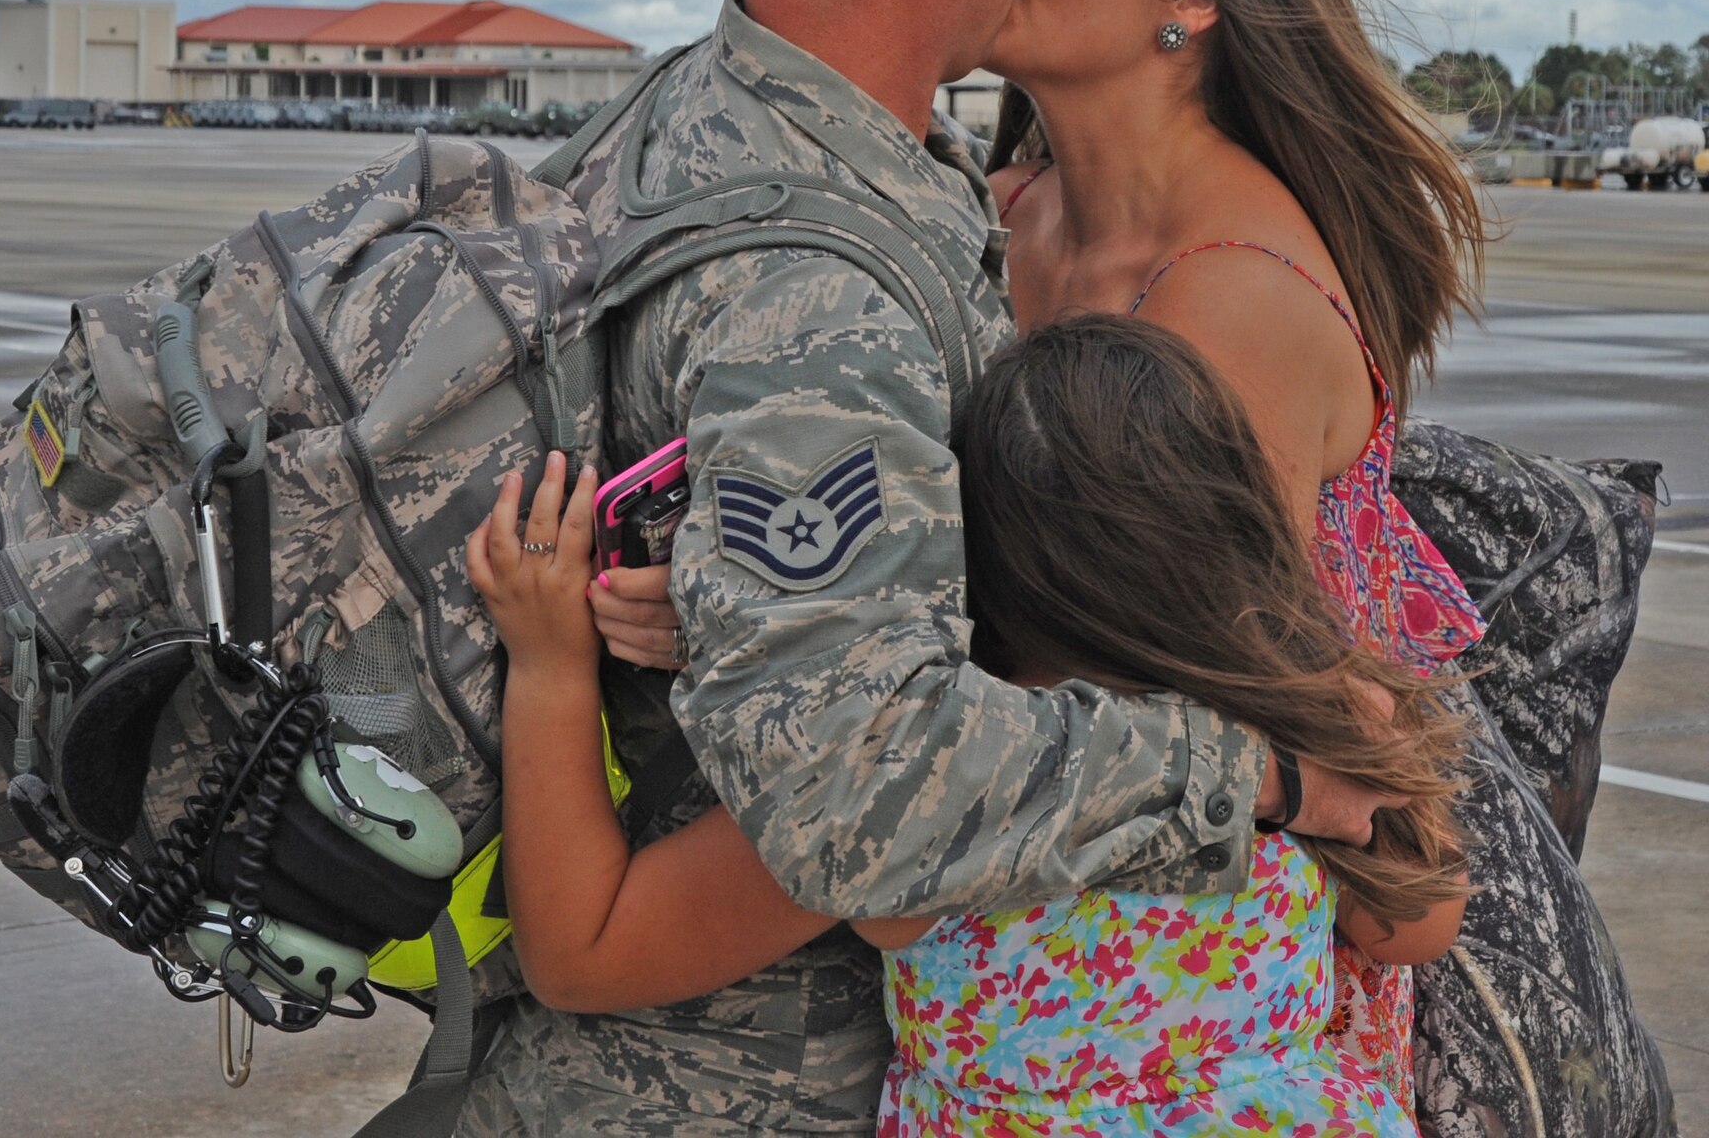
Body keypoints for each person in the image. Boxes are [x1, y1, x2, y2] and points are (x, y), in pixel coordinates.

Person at [454, 0, 1402, 1135]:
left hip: (1106, 1019)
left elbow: (985, 748)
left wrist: (732, 632)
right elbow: (872, 775)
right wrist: (722, 605)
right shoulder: (935, 223)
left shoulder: (1197, 292)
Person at [465, 317, 1468, 1136]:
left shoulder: (929, 797)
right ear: (1235, 521)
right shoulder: (1312, 727)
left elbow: (585, 949)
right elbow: (1416, 923)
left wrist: (558, 666)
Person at [977, 0, 1489, 1103]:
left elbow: (1191, 696)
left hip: (1198, 1011)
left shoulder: (1228, 301)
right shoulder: (1001, 211)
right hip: (1049, 936)